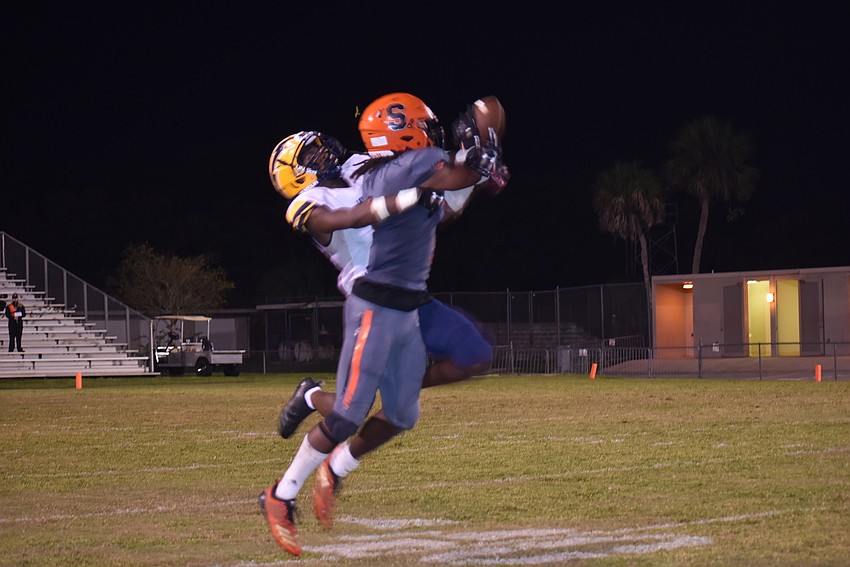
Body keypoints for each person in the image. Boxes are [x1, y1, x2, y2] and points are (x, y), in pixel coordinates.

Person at [260, 93, 503, 556]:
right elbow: (346, 216)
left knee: (415, 399)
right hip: (371, 297)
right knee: (351, 410)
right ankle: (281, 492)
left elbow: (436, 195)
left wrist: (472, 169)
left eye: (319, 144)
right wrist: (407, 197)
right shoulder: (309, 200)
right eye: (309, 155)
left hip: (411, 293)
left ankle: (328, 439)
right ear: (296, 174)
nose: (324, 152)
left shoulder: (359, 164)